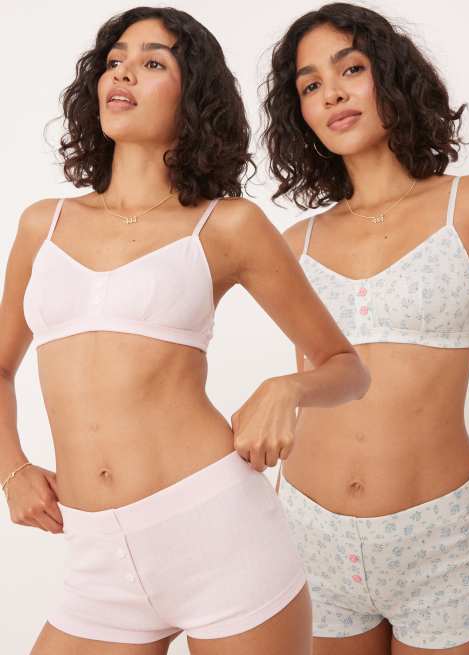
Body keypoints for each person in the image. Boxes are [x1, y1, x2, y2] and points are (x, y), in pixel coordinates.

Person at [0, 7, 371, 655]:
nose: (123, 73)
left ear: (192, 96)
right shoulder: (43, 224)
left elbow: (345, 366)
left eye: (152, 62)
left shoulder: (227, 225)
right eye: (114, 60)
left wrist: (285, 388)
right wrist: (11, 470)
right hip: (96, 558)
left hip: (217, 532)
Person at [262, 3, 469, 654]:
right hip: (308, 536)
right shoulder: (294, 243)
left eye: (350, 69)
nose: (331, 94)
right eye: (310, 85)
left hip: (443, 545)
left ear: (392, 75)